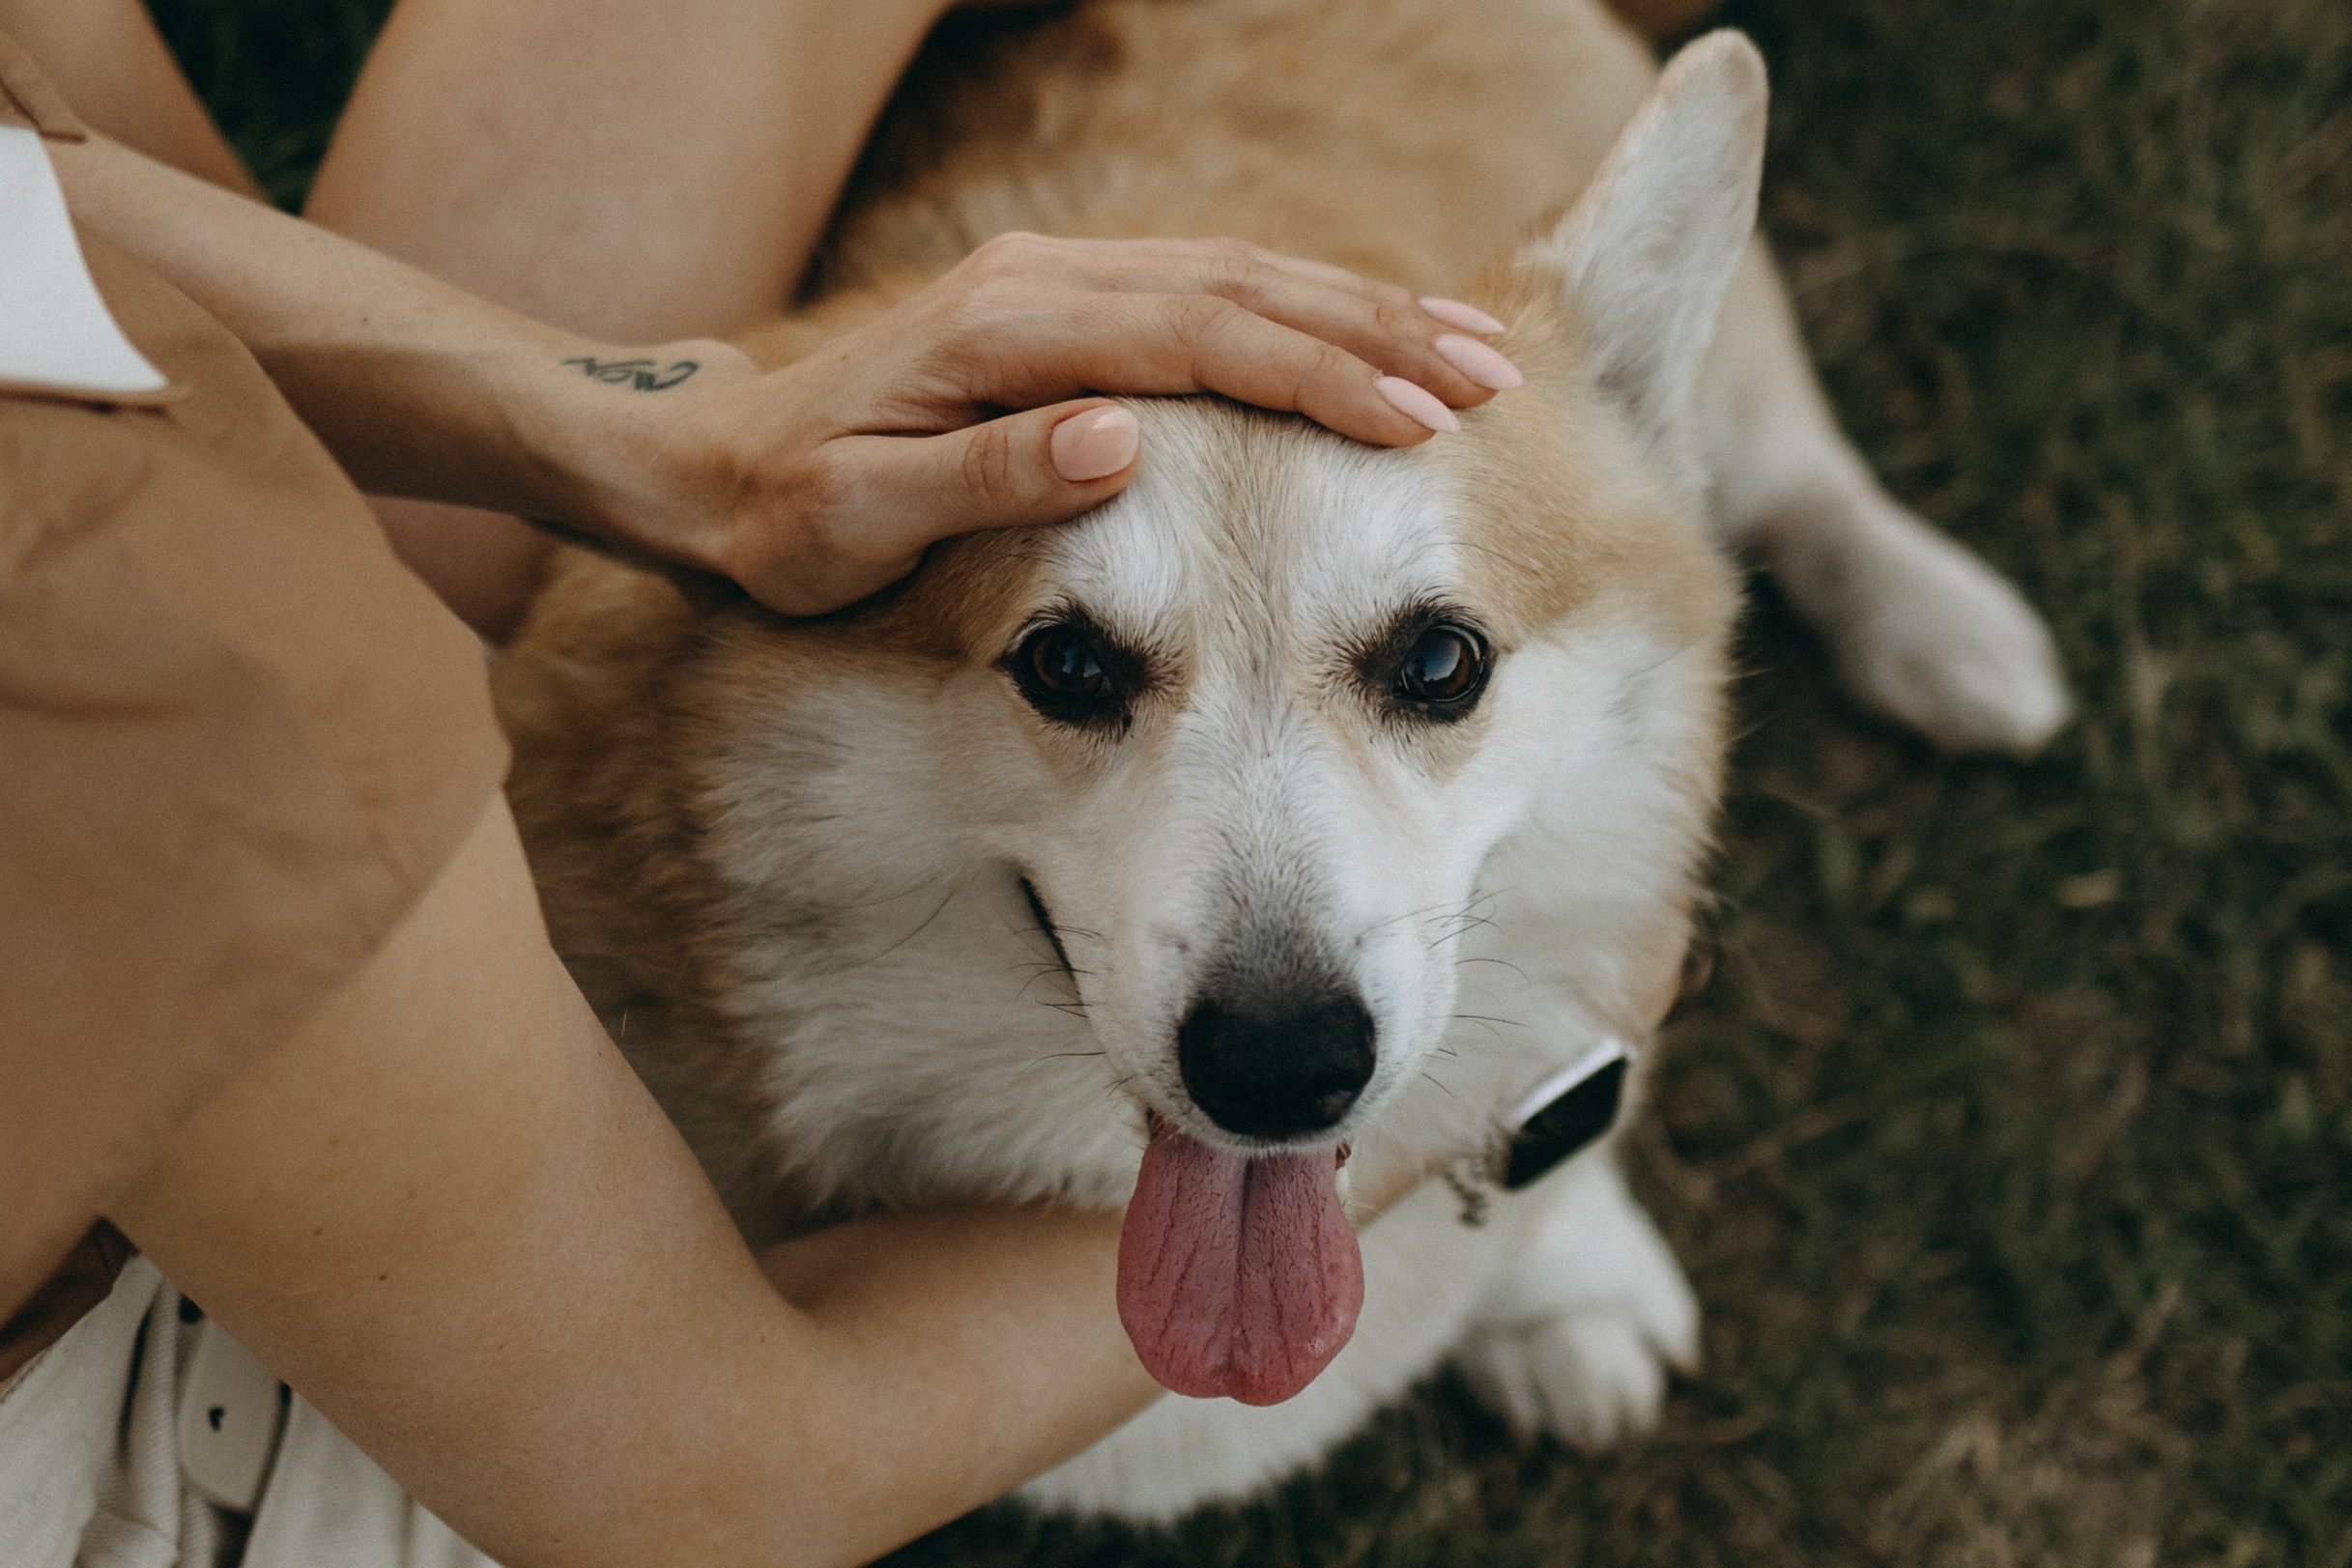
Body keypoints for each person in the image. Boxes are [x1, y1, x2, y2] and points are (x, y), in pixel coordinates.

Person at [0, 4, 1675, 1564]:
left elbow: (28, 196)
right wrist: (1535, 1078)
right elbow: (701, 1477)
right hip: (188, 1414)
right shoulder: (146, 655)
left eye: (1428, 669)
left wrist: (650, 435)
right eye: (1076, 670)